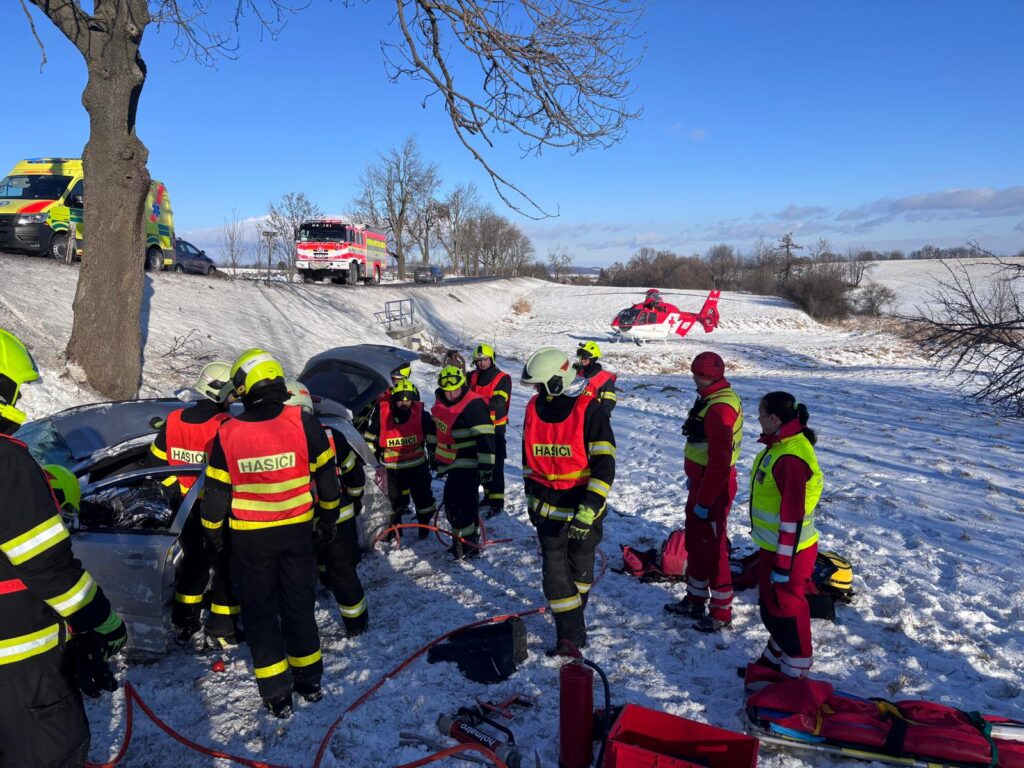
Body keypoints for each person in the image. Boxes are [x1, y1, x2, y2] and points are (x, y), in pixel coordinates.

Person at [0, 328, 127, 767]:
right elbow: (50, 568)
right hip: (21, 670)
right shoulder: (7, 464)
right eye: (14, 390)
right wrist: (102, 624)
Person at [202, 349, 339, 718]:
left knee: (261, 615)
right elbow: (327, 480)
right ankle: (309, 682)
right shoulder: (302, 421)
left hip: (251, 541)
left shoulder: (227, 432)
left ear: (246, 386)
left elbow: (215, 496)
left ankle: (277, 694)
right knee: (299, 608)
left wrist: (214, 535)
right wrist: (328, 520)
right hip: (297, 536)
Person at [521, 347, 615, 653]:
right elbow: (528, 457)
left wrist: (590, 507)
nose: (535, 390)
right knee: (555, 576)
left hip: (582, 509)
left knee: (580, 566)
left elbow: (604, 464)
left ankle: (576, 611)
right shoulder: (533, 408)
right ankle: (570, 637)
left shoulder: (590, 411)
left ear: (557, 381)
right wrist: (529, 496)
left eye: (540, 384)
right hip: (547, 511)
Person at [146, 361, 242, 646]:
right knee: (226, 565)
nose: (233, 400)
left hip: (183, 508)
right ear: (220, 392)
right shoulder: (225, 425)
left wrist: (175, 491)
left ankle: (184, 620)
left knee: (195, 563)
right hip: (217, 507)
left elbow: (155, 462)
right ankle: (224, 628)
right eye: (231, 394)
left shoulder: (174, 419)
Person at [743, 391, 823, 688]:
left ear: (774, 418)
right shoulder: (782, 444)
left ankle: (797, 670)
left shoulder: (789, 456)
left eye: (761, 413)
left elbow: (792, 516)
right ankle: (775, 659)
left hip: (789, 550)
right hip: (775, 546)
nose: (758, 419)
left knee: (788, 607)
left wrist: (782, 562)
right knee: (772, 605)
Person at [665, 352, 743, 633]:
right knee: (697, 544)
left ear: (701, 375)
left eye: (694, 374)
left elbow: (720, 463)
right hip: (702, 483)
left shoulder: (719, 408)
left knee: (714, 548)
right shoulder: (712, 396)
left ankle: (721, 612)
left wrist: (706, 500)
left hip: (714, 487)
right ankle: (695, 599)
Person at [284, 381, 368, 635]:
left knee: (300, 575)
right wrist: (354, 500)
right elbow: (354, 475)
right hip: (337, 515)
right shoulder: (333, 435)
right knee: (343, 572)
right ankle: (356, 624)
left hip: (297, 519)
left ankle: (301, 629)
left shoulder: (276, 443)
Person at [431, 365, 495, 559]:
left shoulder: (474, 405)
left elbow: (486, 439)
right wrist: (435, 456)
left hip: (469, 461)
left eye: (455, 389)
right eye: (447, 390)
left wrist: (486, 467)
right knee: (457, 504)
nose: (451, 394)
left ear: (463, 385)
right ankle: (463, 541)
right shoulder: (440, 401)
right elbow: (439, 432)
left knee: (459, 504)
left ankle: (467, 545)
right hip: (451, 460)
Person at [363, 379, 437, 540]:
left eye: (408, 400)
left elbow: (431, 434)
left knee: (423, 498)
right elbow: (371, 439)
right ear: (393, 400)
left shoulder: (420, 413)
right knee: (392, 501)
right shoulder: (382, 414)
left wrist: (433, 454)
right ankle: (394, 530)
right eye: (400, 401)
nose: (404, 404)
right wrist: (372, 461)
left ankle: (424, 527)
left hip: (417, 465)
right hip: (391, 468)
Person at [467, 343, 512, 517]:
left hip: (496, 428)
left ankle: (497, 501)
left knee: (496, 464)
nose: (481, 363)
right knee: (482, 463)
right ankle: (487, 495)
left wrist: (475, 404)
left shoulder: (502, 378)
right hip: (477, 427)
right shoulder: (472, 377)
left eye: (484, 360)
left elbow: (498, 403)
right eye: (478, 361)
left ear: (491, 359)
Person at [573, 341, 617, 417]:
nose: (582, 360)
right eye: (581, 357)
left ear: (593, 359)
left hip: (594, 419)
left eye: (585, 357)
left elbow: (608, 404)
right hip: (576, 419)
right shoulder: (578, 374)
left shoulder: (605, 378)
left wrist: (598, 422)